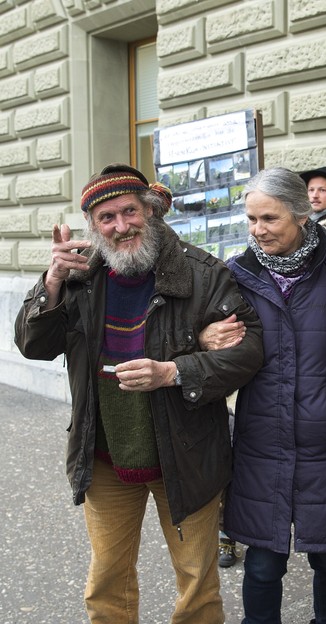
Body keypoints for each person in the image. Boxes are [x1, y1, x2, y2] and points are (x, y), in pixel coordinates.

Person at [14, 163, 264, 623]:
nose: (121, 226)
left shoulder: (201, 273)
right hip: (106, 454)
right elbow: (33, 344)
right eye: (106, 218)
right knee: (107, 579)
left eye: (129, 212)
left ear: (149, 211)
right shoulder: (79, 277)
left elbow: (249, 352)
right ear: (93, 226)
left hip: (187, 455)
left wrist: (174, 371)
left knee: (197, 585)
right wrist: (49, 283)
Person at [199, 167, 326, 624]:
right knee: (263, 563)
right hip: (263, 438)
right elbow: (205, 345)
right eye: (251, 219)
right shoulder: (236, 275)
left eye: (269, 219)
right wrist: (206, 338)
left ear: (302, 216)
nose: (257, 230)